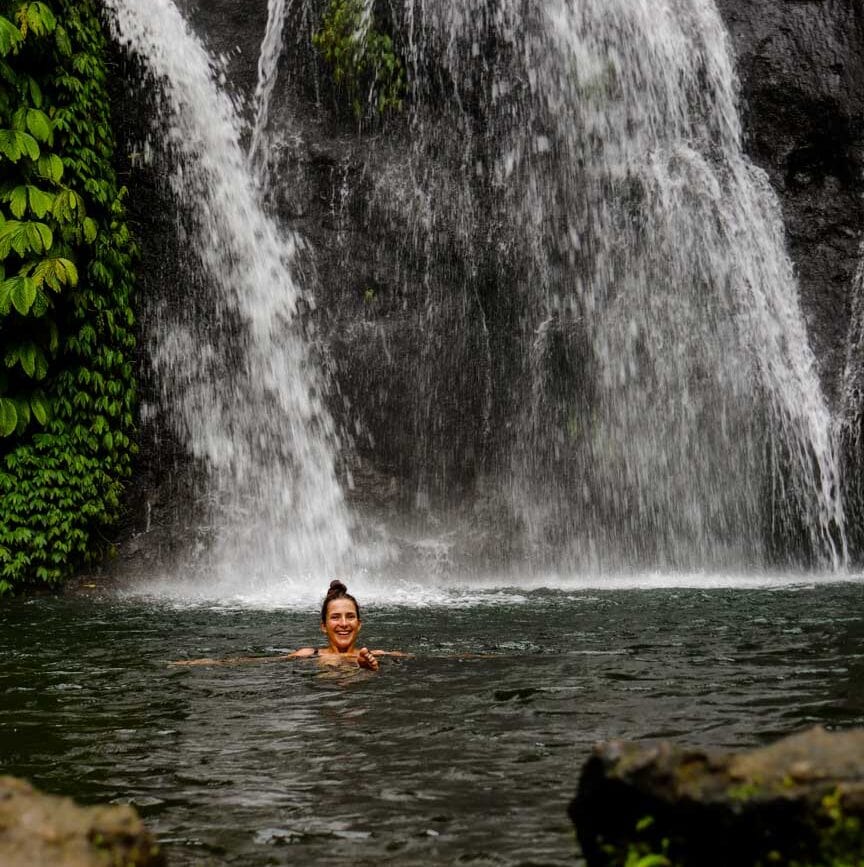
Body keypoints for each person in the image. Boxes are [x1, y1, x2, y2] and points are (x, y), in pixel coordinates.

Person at [171, 580, 406, 670]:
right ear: (323, 626)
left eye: (350, 616)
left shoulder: (376, 655)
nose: (343, 623)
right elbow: (259, 662)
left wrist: (368, 670)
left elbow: (433, 660)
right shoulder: (307, 654)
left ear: (359, 624)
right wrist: (198, 663)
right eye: (335, 617)